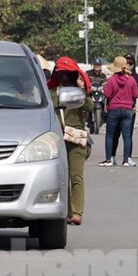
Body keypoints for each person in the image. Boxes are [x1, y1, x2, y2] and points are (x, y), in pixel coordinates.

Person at [47, 57, 93, 226]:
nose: (64, 76)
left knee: (76, 176)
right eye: (61, 73)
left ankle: (77, 213)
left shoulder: (79, 92)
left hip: (76, 138)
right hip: (56, 139)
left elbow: (89, 108)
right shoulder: (51, 93)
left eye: (68, 73)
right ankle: (67, 211)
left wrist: (83, 90)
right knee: (62, 177)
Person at [100, 56, 138, 167]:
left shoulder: (112, 79)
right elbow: (135, 95)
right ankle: (126, 160)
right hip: (127, 110)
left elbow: (107, 94)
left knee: (110, 135)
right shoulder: (131, 79)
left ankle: (109, 160)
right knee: (127, 136)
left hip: (114, 109)